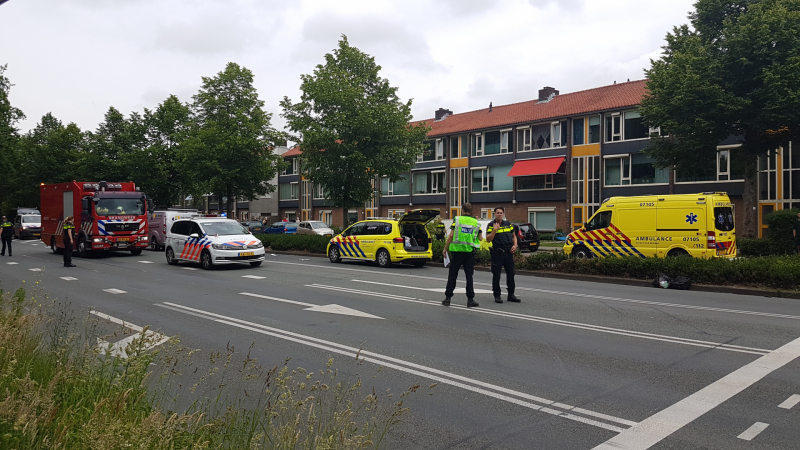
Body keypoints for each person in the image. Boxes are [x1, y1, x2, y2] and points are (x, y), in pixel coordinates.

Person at [442, 202, 482, 308]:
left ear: (462, 210)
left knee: (452, 276)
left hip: (457, 252)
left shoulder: (458, 219)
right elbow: (481, 238)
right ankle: (470, 300)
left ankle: (448, 299)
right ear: (471, 211)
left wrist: (445, 248)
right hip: (469, 253)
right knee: (469, 276)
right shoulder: (476, 223)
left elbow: (451, 235)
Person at [485, 206, 520, 303]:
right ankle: (497, 295)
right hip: (498, 253)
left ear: (503, 214)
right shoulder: (491, 225)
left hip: (508, 252)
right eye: (497, 213)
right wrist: (494, 230)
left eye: (501, 213)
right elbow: (488, 239)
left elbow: (514, 236)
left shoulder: (508, 224)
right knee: (496, 275)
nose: (499, 214)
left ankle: (511, 295)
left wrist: (515, 245)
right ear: (494, 214)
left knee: (511, 274)